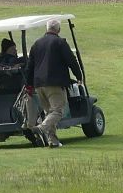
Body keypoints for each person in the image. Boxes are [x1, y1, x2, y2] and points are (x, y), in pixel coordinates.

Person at [21, 19, 84, 148]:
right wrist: (79, 76)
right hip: (55, 83)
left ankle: (53, 141)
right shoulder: (60, 42)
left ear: (47, 28)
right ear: (58, 30)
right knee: (57, 111)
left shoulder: (36, 44)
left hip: (39, 84)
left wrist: (28, 84)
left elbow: (30, 67)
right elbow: (71, 61)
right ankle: (41, 128)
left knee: (49, 112)